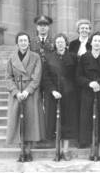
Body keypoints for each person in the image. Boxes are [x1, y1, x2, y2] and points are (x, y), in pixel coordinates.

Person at [5, 32, 45, 162]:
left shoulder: (35, 57)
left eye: (25, 40)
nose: (23, 43)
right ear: (17, 43)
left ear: (29, 42)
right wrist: (16, 92)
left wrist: (28, 91)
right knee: (17, 121)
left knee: (30, 121)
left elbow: (37, 76)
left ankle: (28, 150)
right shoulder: (11, 58)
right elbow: (8, 77)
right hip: (16, 94)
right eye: (21, 40)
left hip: (30, 94)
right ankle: (21, 150)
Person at [76, 32, 100, 160]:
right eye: (95, 40)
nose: (97, 43)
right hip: (88, 91)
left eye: (99, 41)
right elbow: (78, 76)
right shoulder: (84, 57)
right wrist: (89, 83)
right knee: (88, 119)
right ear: (91, 42)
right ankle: (92, 146)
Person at [42, 33, 78, 161]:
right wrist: (52, 90)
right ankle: (57, 150)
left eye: (62, 42)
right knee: (54, 121)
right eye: (58, 42)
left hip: (69, 93)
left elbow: (76, 76)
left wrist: (72, 89)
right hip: (53, 94)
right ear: (55, 44)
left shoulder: (73, 57)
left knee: (67, 121)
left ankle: (66, 150)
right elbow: (45, 77)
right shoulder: (48, 57)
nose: (60, 44)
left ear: (66, 43)